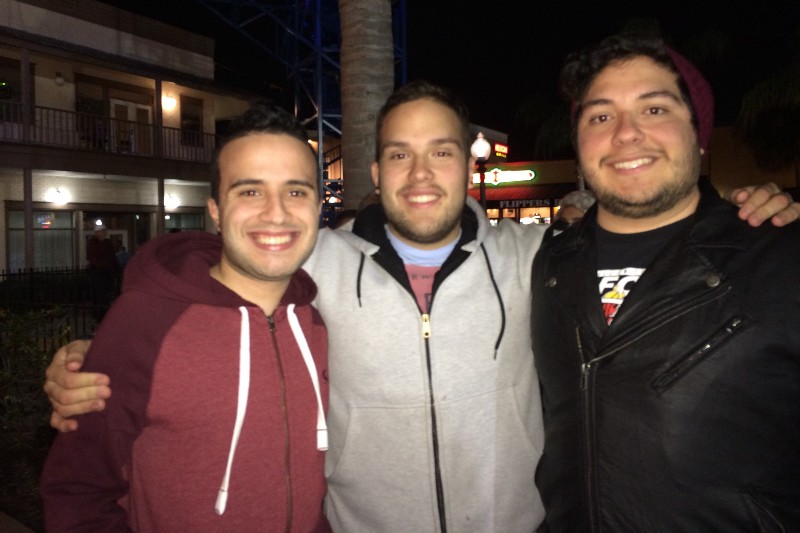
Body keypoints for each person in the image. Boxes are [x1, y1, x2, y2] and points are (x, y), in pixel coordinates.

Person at [43, 82, 799, 532]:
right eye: (399, 153)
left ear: (467, 164)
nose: (420, 172)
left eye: (441, 149)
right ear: (374, 170)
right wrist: (127, 321)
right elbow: (227, 260)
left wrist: (737, 212)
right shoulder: (320, 259)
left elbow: (643, 227)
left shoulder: (537, 257)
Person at [531, 33, 800, 530]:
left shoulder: (780, 259)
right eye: (601, 116)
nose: (626, 133)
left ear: (699, 136)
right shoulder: (548, 266)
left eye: (655, 110)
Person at [40, 103, 330, 532]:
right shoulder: (143, 324)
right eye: (250, 191)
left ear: (318, 205)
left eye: (296, 191)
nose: (276, 212)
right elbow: (77, 492)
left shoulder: (316, 326)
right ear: (215, 209)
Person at [85, 225, 118, 321]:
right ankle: (100, 314)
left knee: (104, 294)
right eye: (101, 232)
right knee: (98, 295)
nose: (103, 233)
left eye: (104, 231)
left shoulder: (107, 243)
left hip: (106, 272)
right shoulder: (93, 243)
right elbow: (93, 257)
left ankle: (103, 313)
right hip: (98, 272)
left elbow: (112, 257)